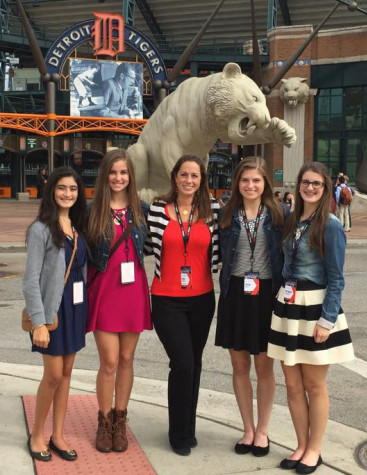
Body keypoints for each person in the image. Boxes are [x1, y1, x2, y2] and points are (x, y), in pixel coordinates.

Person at [267, 162, 355, 473]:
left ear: (325, 187)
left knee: (314, 385)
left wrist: (326, 320)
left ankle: (314, 449)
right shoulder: (292, 220)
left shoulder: (329, 225)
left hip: (316, 307)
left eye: (317, 183)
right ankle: (301, 445)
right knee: (292, 385)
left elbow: (336, 277)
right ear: (299, 185)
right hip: (289, 307)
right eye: (306, 182)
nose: (311, 188)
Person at [146, 154, 220, 456]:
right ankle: (177, 433)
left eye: (195, 176)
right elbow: (147, 247)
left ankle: (189, 428)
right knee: (183, 363)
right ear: (175, 177)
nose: (189, 181)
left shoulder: (213, 210)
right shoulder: (157, 210)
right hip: (166, 299)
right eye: (184, 175)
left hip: (203, 299)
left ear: (201, 180)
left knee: (195, 363)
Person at [215, 157, 286, 457]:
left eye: (256, 180)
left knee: (264, 367)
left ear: (265, 183)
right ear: (237, 183)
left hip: (267, 296)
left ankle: (263, 431)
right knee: (240, 366)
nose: (251, 185)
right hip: (235, 294)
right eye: (245, 180)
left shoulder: (279, 215)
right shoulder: (227, 214)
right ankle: (247, 428)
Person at [86, 148, 152, 453]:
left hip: (133, 291)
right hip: (104, 291)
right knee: (109, 361)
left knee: (126, 359)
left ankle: (120, 421)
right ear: (105, 175)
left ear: (130, 176)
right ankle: (104, 419)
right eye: (113, 172)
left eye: (123, 172)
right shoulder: (92, 210)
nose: (118, 178)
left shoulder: (142, 209)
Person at [23, 166, 88, 462]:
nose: (68, 194)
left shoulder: (76, 228)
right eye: (62, 188)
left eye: (73, 189)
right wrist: (38, 322)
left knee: (67, 374)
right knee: (53, 374)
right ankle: (37, 433)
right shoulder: (40, 229)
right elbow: (30, 279)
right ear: (52, 191)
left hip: (75, 309)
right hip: (52, 311)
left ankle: (58, 434)